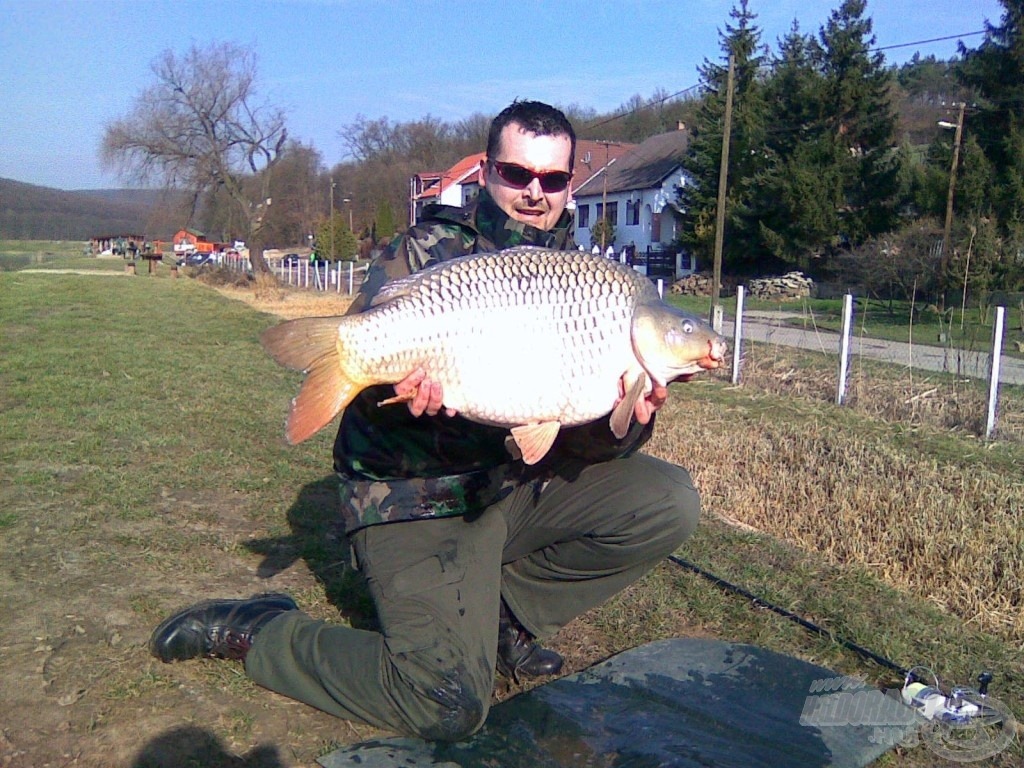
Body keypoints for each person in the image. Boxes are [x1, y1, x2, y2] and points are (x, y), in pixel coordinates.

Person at [149, 100, 701, 742]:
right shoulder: (425, 248)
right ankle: (263, 631)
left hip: (506, 488)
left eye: (551, 180)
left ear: (568, 183)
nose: (533, 193)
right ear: (488, 170)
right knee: (446, 705)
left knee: (666, 500)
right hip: (414, 499)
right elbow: (367, 403)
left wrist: (626, 421)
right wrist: (409, 406)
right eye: (516, 174)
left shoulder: (589, 278)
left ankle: (504, 619)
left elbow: (576, 441)